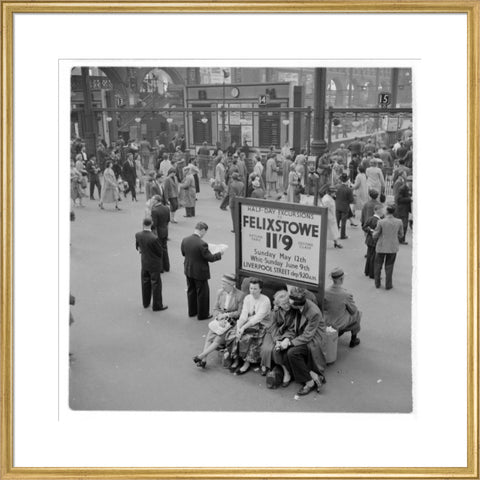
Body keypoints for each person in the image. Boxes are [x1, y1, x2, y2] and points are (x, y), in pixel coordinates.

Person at [271, 287, 327, 396]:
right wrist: (277, 305)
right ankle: (313, 375)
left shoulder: (313, 312)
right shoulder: (298, 304)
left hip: (313, 340)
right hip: (300, 335)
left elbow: (307, 336)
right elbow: (284, 309)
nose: (288, 304)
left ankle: (309, 383)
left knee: (291, 353)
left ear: (297, 305)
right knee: (286, 353)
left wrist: (289, 343)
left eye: (290, 302)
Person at [192, 274, 246, 368]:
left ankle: (201, 356)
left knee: (218, 338)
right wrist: (219, 318)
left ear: (231, 284)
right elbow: (215, 309)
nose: (222, 286)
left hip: (232, 321)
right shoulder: (220, 292)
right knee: (210, 336)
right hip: (220, 318)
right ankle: (203, 359)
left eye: (224, 283)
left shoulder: (240, 295)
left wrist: (227, 315)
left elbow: (239, 312)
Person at [224, 278, 271, 375]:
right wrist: (239, 326)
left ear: (260, 289)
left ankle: (246, 363)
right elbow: (244, 314)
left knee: (248, 338)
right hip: (247, 322)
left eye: (255, 289)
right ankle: (236, 359)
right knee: (233, 334)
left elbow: (257, 318)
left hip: (261, 324)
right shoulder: (247, 298)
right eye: (251, 288)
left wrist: (243, 328)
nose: (252, 291)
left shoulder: (265, 300)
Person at [180, 222, 223, 320]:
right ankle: (202, 314)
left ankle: (192, 311)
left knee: (191, 290)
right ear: (202, 230)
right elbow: (210, 258)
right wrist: (220, 254)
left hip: (188, 269)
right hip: (200, 272)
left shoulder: (185, 240)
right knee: (202, 293)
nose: (204, 235)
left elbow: (183, 253)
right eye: (205, 232)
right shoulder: (202, 243)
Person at [260, 290, 295, 380]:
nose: (287, 306)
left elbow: (292, 328)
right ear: (278, 304)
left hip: (287, 334)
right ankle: (265, 365)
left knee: (277, 350)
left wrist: (284, 339)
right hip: (274, 333)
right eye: (283, 304)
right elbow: (272, 326)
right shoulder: (276, 311)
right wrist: (277, 340)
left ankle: (286, 372)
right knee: (266, 348)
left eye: (288, 303)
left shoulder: (294, 311)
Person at [135, 218, 168, 312]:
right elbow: (160, 252)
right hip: (154, 264)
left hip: (144, 262)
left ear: (143, 224)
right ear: (151, 224)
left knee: (145, 282)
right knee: (156, 284)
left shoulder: (138, 234)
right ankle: (157, 305)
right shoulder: (154, 238)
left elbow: (138, 247)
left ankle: (145, 302)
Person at [324, 268, 361, 348]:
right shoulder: (345, 294)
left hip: (326, 320)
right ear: (341, 279)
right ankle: (353, 340)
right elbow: (353, 310)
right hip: (339, 323)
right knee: (358, 313)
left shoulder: (325, 291)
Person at [372, 205, 404, 290]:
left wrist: (373, 233)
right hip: (393, 247)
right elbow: (401, 235)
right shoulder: (399, 221)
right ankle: (388, 285)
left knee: (378, 265)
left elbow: (375, 235)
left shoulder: (381, 222)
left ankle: (377, 283)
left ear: (386, 211)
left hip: (381, 246)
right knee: (389, 266)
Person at [363, 204, 384, 278]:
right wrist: (372, 231)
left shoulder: (370, 218)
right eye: (382, 210)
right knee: (374, 258)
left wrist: (369, 230)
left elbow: (364, 227)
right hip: (375, 241)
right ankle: (372, 274)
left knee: (369, 256)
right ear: (378, 211)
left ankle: (367, 271)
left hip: (369, 240)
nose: (383, 211)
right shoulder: (379, 221)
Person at [150, 195, 170, 272]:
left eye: (152, 199)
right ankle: (167, 266)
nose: (151, 201)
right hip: (165, 231)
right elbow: (168, 220)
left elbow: (154, 224)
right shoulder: (166, 208)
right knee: (165, 248)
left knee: (158, 250)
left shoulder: (154, 210)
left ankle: (160, 268)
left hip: (158, 232)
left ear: (156, 201)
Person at [335, 173, 354, 240]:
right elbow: (351, 200)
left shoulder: (337, 187)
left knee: (337, 221)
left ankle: (335, 234)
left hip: (337, 205)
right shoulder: (349, 189)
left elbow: (334, 195)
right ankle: (342, 235)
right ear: (347, 180)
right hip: (345, 207)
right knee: (343, 222)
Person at [395, 178, 412, 245]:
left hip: (405, 209)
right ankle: (400, 239)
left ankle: (401, 239)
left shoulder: (407, 188)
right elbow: (399, 199)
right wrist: (409, 199)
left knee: (404, 225)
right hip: (401, 210)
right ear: (408, 182)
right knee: (403, 225)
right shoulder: (402, 188)